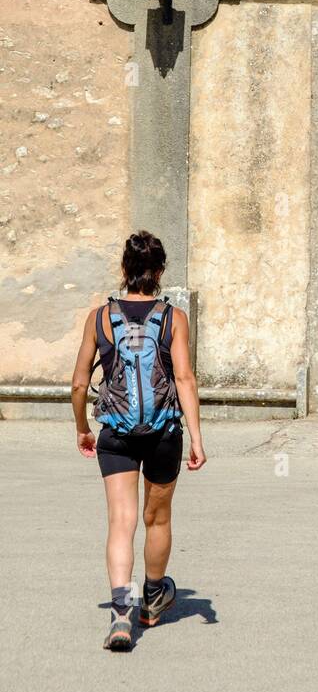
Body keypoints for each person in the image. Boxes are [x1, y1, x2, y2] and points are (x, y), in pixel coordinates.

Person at [71, 231, 206, 651]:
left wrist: (82, 427)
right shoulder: (174, 317)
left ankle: (120, 615)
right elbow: (184, 377)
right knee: (158, 519)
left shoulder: (98, 317)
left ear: (124, 270)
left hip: (116, 435)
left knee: (121, 522)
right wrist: (197, 438)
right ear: (160, 271)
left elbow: (78, 384)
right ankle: (152, 598)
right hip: (164, 432)